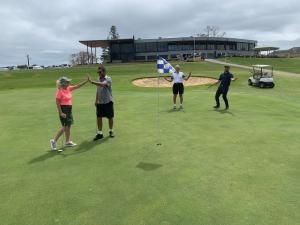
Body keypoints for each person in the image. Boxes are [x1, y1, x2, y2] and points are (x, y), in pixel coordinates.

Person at [50, 76, 88, 151]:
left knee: (69, 126)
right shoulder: (59, 91)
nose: (69, 83)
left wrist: (86, 81)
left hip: (69, 110)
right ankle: (53, 141)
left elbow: (77, 86)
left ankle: (67, 142)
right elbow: (57, 103)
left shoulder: (68, 88)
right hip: (63, 110)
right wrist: (61, 113)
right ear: (63, 83)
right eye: (67, 82)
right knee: (65, 127)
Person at [88, 65, 114, 140]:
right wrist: (96, 100)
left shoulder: (108, 79)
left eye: (100, 72)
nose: (98, 73)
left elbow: (103, 84)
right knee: (99, 117)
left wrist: (92, 82)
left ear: (104, 71)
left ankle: (111, 131)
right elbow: (98, 91)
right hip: (100, 102)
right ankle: (100, 133)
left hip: (108, 101)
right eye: (98, 72)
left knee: (110, 117)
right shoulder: (98, 79)